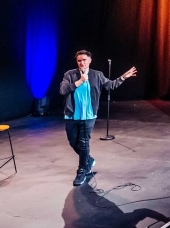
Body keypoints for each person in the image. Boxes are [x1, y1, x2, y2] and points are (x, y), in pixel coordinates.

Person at [59, 50, 137, 186]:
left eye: (84, 60)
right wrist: (79, 81)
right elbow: (63, 90)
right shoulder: (70, 75)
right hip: (72, 115)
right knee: (73, 142)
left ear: (90, 61)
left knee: (84, 143)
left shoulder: (97, 75)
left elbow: (111, 85)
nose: (81, 63)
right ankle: (88, 160)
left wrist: (123, 77)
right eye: (79, 60)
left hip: (88, 116)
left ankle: (82, 170)